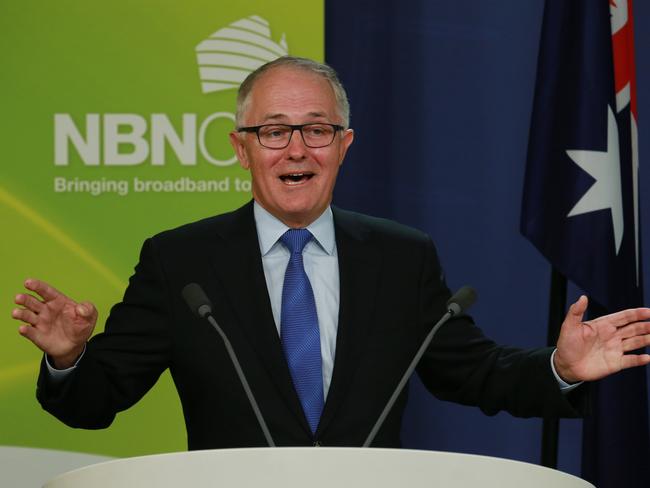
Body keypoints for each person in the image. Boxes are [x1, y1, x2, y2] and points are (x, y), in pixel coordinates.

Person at [11, 57, 650, 449]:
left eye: (316, 130)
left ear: (344, 144)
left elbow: (472, 372)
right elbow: (96, 404)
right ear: (241, 148)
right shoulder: (182, 262)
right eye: (274, 131)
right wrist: (70, 360)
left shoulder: (401, 257)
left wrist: (560, 369)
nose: (296, 150)